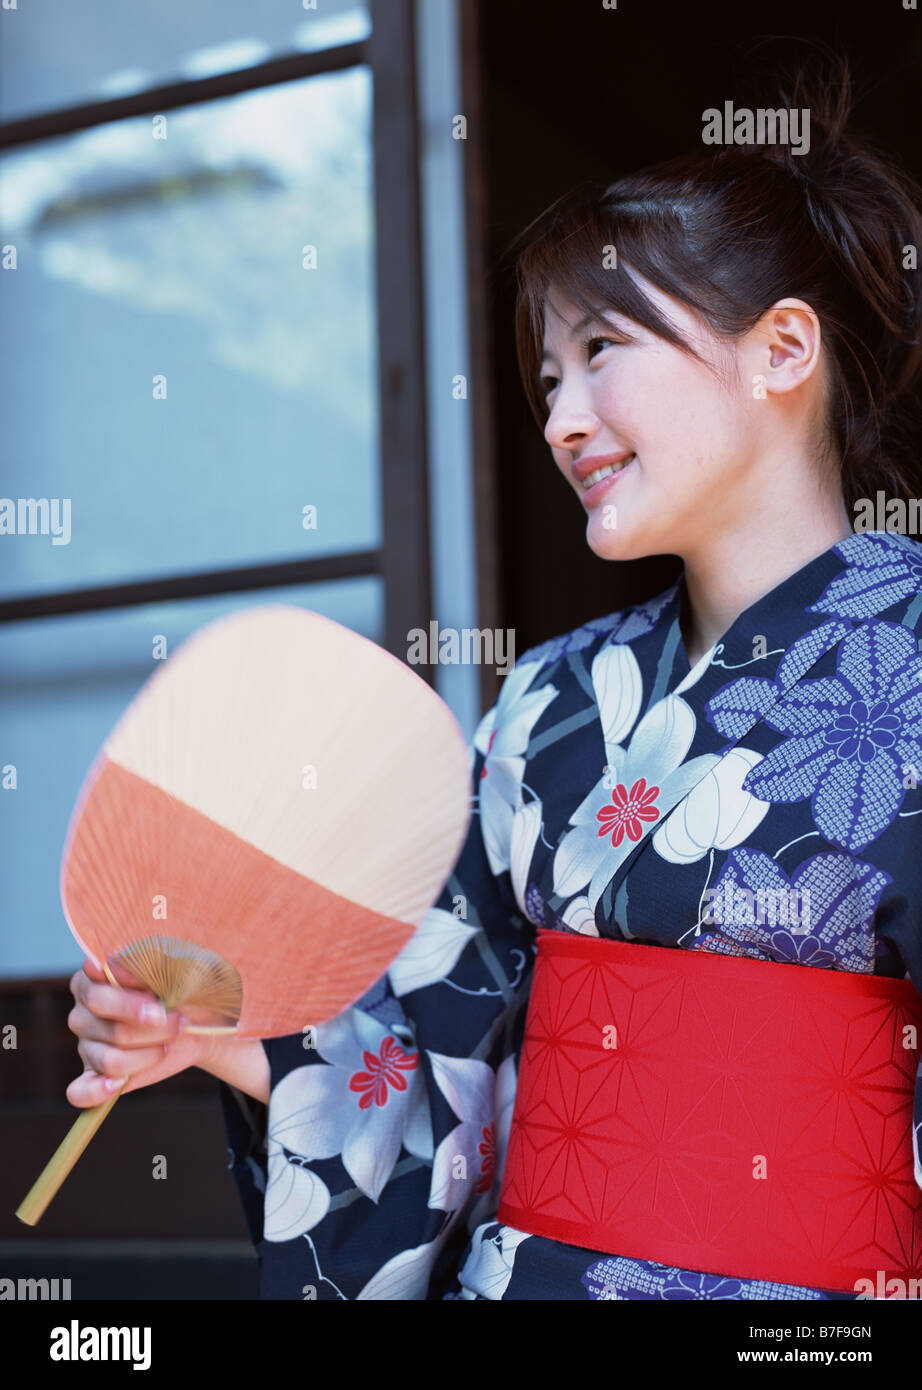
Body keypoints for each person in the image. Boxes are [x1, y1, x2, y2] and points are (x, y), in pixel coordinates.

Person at [66, 56, 922, 1300]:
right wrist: (229, 1042)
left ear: (781, 349)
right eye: (546, 378)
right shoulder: (549, 702)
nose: (563, 416)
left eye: (600, 350)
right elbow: (432, 1065)